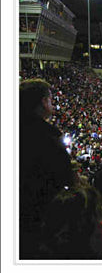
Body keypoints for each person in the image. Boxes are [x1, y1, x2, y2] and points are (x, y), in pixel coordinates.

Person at [20, 79, 74, 259]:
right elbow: (65, 178)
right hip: (38, 221)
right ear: (43, 102)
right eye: (50, 100)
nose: (52, 104)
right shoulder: (46, 137)